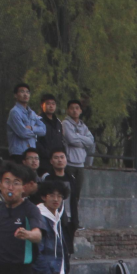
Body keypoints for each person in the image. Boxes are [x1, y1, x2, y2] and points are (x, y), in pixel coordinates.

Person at [62, 99, 93, 235]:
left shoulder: (83, 126)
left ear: (80, 111)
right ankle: (68, 219)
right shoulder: (65, 124)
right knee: (69, 194)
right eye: (72, 108)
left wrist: (78, 137)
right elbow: (71, 139)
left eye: (77, 108)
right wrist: (81, 140)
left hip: (80, 165)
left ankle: (75, 220)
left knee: (77, 195)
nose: (74, 110)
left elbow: (91, 141)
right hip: (69, 163)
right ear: (68, 110)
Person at [7, 83, 45, 159]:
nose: (25, 94)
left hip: (32, 152)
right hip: (19, 153)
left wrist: (32, 128)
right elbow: (23, 133)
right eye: (22, 91)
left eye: (27, 92)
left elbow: (43, 130)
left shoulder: (32, 113)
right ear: (15, 95)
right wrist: (36, 132)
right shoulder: (14, 112)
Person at [35, 94, 64, 170]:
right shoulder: (38, 121)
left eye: (53, 104)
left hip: (57, 161)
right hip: (44, 160)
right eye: (48, 103)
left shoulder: (58, 122)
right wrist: (47, 153)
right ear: (42, 105)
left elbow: (61, 140)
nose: (51, 106)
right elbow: (36, 141)